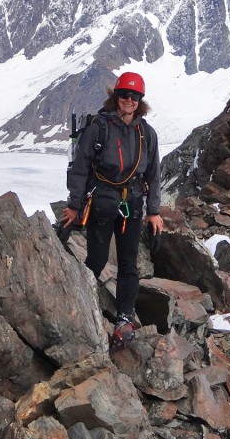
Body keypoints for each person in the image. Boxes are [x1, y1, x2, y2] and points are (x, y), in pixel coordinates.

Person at [59, 71, 163, 344]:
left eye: (134, 96)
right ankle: (80, 303)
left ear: (141, 100)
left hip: (133, 204)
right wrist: (74, 205)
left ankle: (124, 318)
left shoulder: (146, 134)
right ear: (115, 96)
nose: (129, 100)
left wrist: (154, 212)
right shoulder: (99, 127)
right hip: (102, 203)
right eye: (124, 94)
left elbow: (153, 174)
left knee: (129, 264)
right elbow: (80, 169)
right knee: (97, 259)